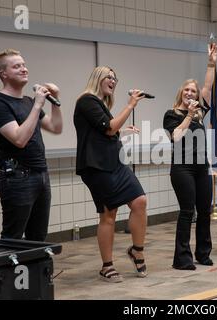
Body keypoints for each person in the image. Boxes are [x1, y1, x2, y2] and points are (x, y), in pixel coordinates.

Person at [74, 66, 148, 283]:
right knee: (109, 214)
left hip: (115, 163)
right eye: (109, 77)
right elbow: (108, 128)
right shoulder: (87, 100)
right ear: (98, 78)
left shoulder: (101, 104)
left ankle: (137, 250)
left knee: (140, 201)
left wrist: (122, 131)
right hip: (96, 166)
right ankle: (107, 266)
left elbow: (104, 132)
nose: (113, 81)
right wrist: (131, 105)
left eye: (116, 78)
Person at [0, 49, 63, 241]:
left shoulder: (28, 101)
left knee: (38, 236)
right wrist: (38, 105)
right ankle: (10, 271)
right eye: (17, 66)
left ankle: (34, 272)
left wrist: (55, 101)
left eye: (24, 65)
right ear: (3, 74)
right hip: (17, 178)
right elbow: (19, 139)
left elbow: (55, 127)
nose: (24, 69)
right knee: (13, 236)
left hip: (41, 174)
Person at [163, 42, 217, 270]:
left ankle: (203, 254)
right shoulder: (172, 114)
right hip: (182, 169)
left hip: (201, 168)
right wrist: (189, 114)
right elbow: (176, 137)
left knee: (205, 211)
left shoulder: (199, 113)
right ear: (181, 93)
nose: (190, 93)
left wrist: (211, 63)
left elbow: (207, 85)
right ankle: (182, 259)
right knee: (188, 211)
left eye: (193, 91)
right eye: (187, 90)